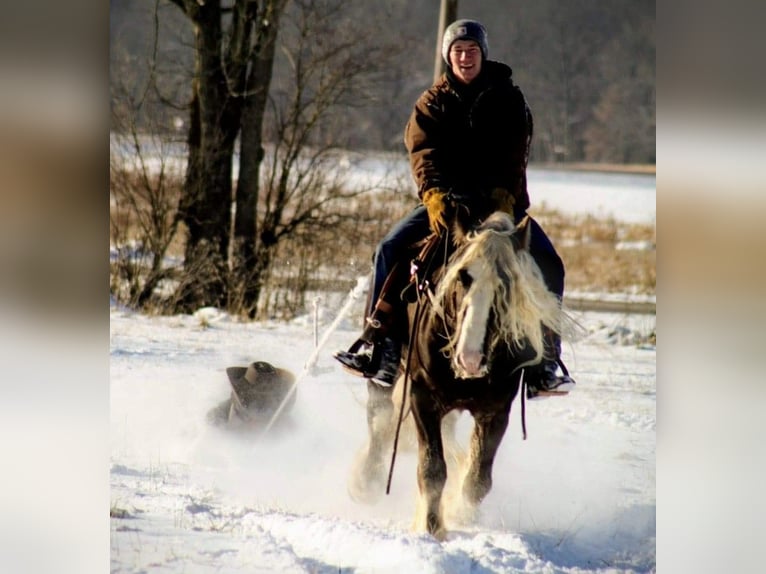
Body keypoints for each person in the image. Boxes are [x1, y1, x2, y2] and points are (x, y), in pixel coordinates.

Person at [334, 19, 574, 397]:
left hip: (501, 207)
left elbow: (515, 154)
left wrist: (503, 197)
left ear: (483, 55)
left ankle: (546, 360)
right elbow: (423, 152)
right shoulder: (432, 102)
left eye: (472, 50)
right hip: (447, 206)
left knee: (549, 263)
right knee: (390, 249)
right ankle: (378, 344)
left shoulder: (508, 99)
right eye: (458, 51)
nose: (465, 57)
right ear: (448, 57)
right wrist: (434, 195)